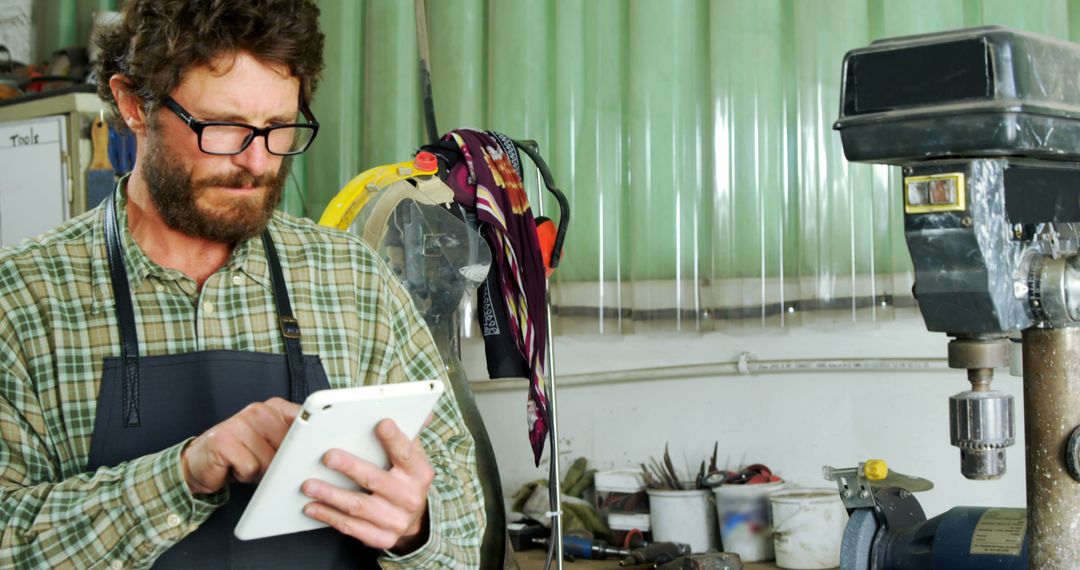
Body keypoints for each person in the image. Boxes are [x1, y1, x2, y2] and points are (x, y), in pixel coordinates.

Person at [0, 1, 484, 568]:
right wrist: (182, 473)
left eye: (278, 128)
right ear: (134, 104)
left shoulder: (352, 280)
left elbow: (463, 514)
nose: (257, 162)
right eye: (223, 127)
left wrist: (414, 527)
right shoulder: (22, 299)